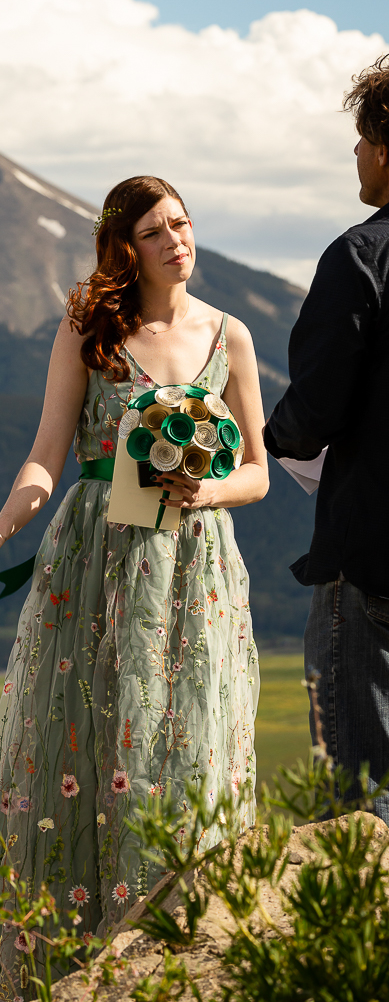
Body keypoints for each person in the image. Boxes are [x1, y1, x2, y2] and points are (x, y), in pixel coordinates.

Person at [0, 175, 268, 1000]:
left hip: (192, 567)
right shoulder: (89, 326)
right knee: (85, 747)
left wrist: (204, 490)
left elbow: (259, 473)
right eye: (157, 230)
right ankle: (74, 961)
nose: (177, 240)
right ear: (125, 246)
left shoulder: (228, 335)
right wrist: (2, 525)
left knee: (188, 747)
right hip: (94, 562)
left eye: (184, 224)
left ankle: (185, 955)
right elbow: (46, 453)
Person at [264, 54, 389, 819]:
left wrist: (257, 435)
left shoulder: (360, 256)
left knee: (359, 806)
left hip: (371, 560)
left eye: (357, 138)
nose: (352, 155)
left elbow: (313, 410)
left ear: (382, 148)